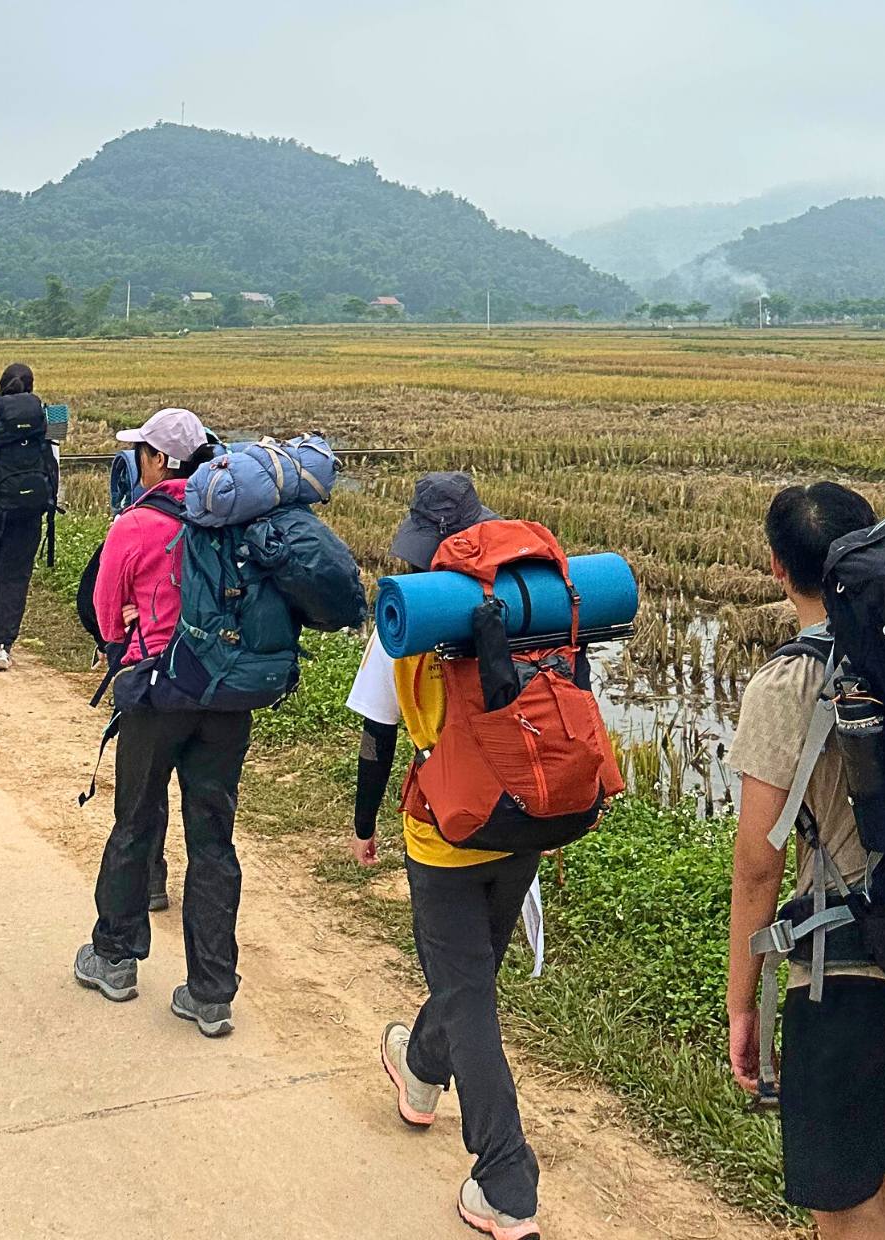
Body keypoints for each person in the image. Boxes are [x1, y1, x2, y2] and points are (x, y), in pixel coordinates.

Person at [725, 482, 885, 1240]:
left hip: (847, 969)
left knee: (842, 1205)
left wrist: (742, 1001)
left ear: (777, 567)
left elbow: (758, 865)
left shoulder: (789, 684)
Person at [346, 472, 545, 1240]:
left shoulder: (409, 615)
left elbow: (377, 734)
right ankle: (422, 1071)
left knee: (467, 996)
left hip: (447, 833)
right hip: (527, 822)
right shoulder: (531, 603)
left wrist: (364, 823)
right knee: (469, 981)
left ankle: (505, 1180)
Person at [73, 408, 250, 1038]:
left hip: (155, 694)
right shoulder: (237, 519)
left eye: (140, 450)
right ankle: (211, 993)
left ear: (156, 460)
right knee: (214, 839)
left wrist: (125, 647)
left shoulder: (136, 523)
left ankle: (115, 959)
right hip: (226, 698)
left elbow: (104, 610)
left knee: (136, 820)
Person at [0, 362, 57, 670]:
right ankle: (2, 644)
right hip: (32, 508)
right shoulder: (49, 416)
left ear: (0, 385)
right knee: (15, 576)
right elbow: (53, 461)